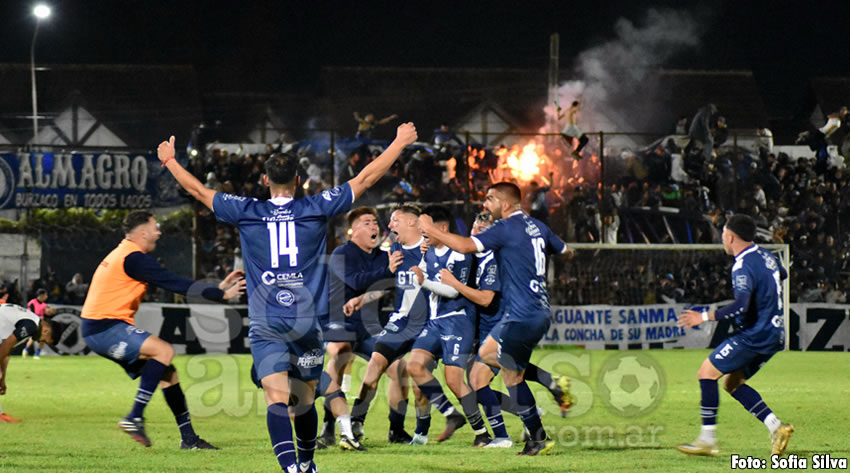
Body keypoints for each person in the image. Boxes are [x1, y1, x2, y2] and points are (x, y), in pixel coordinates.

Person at [158, 122, 416, 473]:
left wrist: (171, 161)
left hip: (267, 320)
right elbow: (367, 179)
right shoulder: (316, 205)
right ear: (299, 180)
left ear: (265, 181)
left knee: (276, 397)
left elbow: (199, 191)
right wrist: (399, 141)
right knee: (306, 398)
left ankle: (293, 467)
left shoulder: (247, 210)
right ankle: (304, 464)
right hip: (307, 320)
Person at [418, 182, 572, 456]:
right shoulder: (537, 226)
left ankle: (537, 436)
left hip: (520, 314)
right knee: (487, 364)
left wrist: (429, 230)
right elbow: (566, 251)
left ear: (506, 202)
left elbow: (465, 245)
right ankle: (548, 388)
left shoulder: (505, 228)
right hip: (539, 309)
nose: (486, 205)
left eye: (490, 199)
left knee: (510, 376)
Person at [81, 211, 244, 449]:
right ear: (143, 232)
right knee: (164, 352)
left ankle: (188, 439)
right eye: (155, 227)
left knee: (168, 374)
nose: (159, 232)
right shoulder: (134, 258)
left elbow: (179, 284)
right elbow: (175, 283)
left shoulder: (124, 253)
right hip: (104, 327)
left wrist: (216, 288)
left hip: (100, 327)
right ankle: (134, 416)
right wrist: (220, 294)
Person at [676, 214, 793, 457]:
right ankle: (777, 427)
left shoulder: (742, 265)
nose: (722, 239)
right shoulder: (767, 255)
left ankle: (707, 440)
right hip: (776, 333)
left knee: (706, 373)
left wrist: (704, 316)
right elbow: (782, 275)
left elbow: (740, 305)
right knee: (732, 383)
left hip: (756, 334)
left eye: (723, 235)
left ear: (730, 237)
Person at [318, 207, 410, 450]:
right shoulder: (341, 253)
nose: (374, 227)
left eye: (375, 223)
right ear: (353, 231)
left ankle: (394, 429)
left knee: (399, 369)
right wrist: (387, 271)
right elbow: (356, 280)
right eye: (367, 222)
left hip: (370, 326)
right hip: (340, 321)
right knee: (339, 352)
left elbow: (389, 285)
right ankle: (328, 425)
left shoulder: (382, 256)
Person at [348, 205, 432, 444]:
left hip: (429, 323)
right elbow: (389, 282)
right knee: (375, 364)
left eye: (395, 220)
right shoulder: (394, 249)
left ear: (412, 223)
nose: (390, 225)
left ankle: (418, 434)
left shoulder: (431, 248)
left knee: (418, 385)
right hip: (400, 321)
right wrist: (362, 298)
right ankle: (356, 422)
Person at [406, 205, 489, 446]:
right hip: (435, 322)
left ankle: (481, 433)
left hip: (458, 320)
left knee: (454, 381)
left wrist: (423, 282)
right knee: (415, 366)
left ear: (441, 228)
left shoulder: (460, 254)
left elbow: (453, 291)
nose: (422, 232)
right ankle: (450, 416)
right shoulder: (429, 250)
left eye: (425, 227)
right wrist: (417, 272)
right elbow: (423, 272)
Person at [0, 303, 55, 422]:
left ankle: (1, 414)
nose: (41, 342)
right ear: (45, 330)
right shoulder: (31, 325)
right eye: (45, 340)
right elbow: (7, 345)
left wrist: (2, 379)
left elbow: (6, 353)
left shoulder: (29, 320)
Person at [23, 289, 54, 359]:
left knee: (43, 339)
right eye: (46, 295)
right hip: (32, 322)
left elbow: (46, 316)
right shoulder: (32, 303)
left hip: (41, 323)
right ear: (41, 295)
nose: (47, 296)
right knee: (34, 338)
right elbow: (31, 313)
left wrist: (50, 313)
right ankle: (26, 350)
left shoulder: (44, 305)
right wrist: (39, 317)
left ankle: (36, 354)